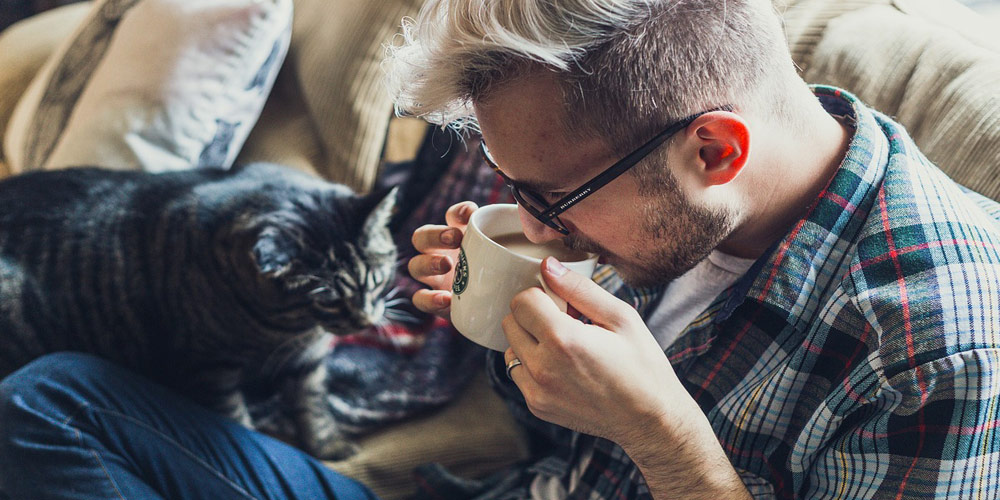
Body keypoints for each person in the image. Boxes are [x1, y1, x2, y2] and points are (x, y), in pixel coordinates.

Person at [2, 1, 999, 499]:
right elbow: (555, 436)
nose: (532, 221)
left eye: (547, 196)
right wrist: (498, 333)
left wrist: (665, 440)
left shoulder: (941, 342)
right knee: (48, 398)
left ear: (713, 149)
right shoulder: (671, 209)